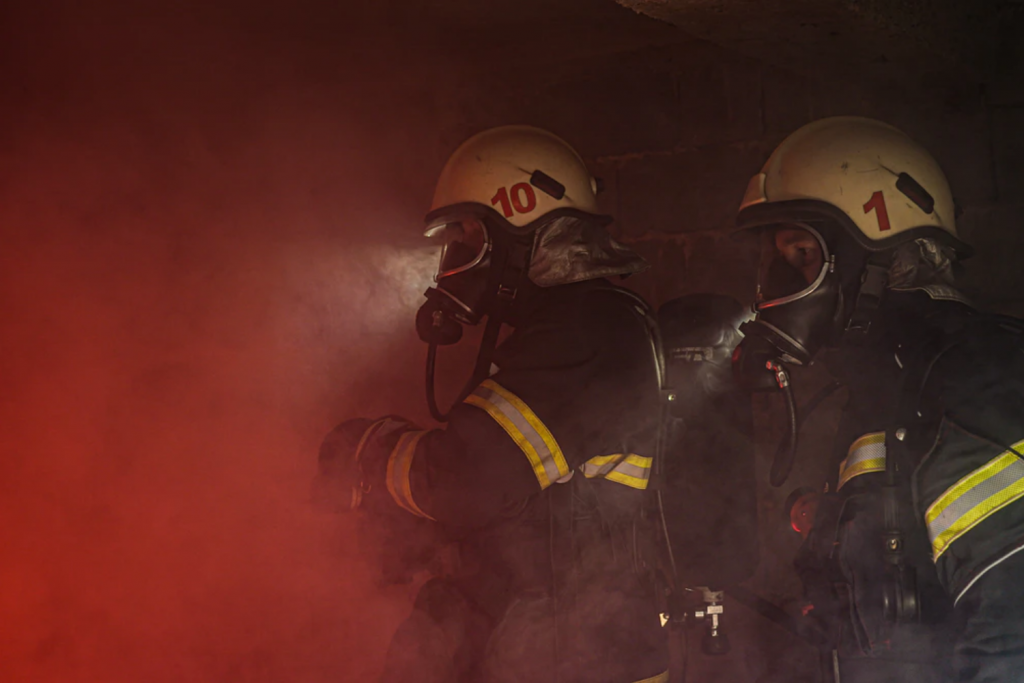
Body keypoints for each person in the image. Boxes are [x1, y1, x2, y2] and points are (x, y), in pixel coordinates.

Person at [314, 125, 670, 683]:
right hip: (551, 647)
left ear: (518, 235)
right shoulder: (563, 331)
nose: (455, 257)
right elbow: (517, 502)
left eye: (468, 235)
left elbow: (470, 481)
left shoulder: (588, 331)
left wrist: (370, 451)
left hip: (580, 658)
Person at [731, 116, 1024, 682]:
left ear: (877, 258)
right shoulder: (887, 383)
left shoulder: (973, 375)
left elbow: (1013, 627)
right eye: (779, 261)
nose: (784, 283)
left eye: (802, 255)